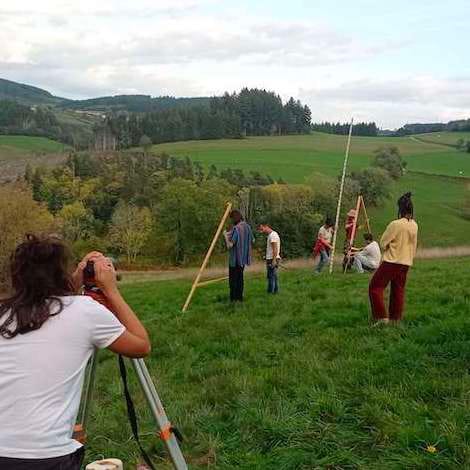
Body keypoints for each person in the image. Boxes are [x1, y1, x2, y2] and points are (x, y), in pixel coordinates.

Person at [0, 234, 151, 470]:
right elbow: (141, 346)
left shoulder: (3, 313)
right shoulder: (84, 312)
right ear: (61, 272)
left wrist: (77, 279)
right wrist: (111, 291)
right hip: (46, 457)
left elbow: (45, 298)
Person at [369, 192, 418, 325]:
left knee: (375, 287)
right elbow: (413, 244)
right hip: (406, 262)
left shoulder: (395, 224)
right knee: (398, 289)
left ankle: (381, 317)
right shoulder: (414, 225)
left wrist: (390, 245)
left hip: (392, 261)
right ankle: (395, 319)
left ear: (400, 209)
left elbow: (383, 242)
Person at [223, 210, 254, 302]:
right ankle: (239, 298)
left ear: (234, 218)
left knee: (233, 280)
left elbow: (230, 245)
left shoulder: (237, 229)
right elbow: (252, 240)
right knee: (240, 278)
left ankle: (233, 299)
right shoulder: (247, 227)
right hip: (243, 258)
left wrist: (225, 236)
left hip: (235, 259)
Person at [258, 223, 281, 294]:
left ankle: (270, 293)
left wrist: (274, 260)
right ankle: (275, 292)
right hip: (271, 258)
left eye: (261, 229)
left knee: (271, 277)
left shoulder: (273, 235)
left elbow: (275, 249)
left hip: (272, 259)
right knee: (274, 276)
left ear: (266, 226)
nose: (260, 231)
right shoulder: (271, 235)